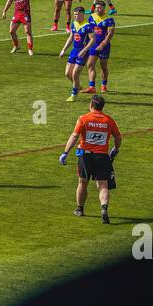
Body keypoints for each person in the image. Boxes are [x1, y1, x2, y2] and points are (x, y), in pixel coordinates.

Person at [59, 94, 122, 223]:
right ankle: (104, 208)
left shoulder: (84, 119)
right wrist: (115, 149)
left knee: (82, 183)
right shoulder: (109, 120)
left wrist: (65, 152)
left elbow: (74, 136)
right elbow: (118, 137)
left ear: (91, 105)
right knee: (103, 185)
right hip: (102, 156)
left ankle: (80, 209)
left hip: (85, 155)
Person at [58, 6, 95, 102]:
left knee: (75, 74)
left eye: (77, 15)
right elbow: (71, 37)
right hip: (74, 51)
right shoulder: (74, 24)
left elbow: (93, 40)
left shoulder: (88, 26)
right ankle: (78, 86)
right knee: (67, 74)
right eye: (74, 15)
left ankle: (74, 95)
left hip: (83, 52)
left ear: (82, 14)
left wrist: (84, 50)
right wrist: (63, 49)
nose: (75, 17)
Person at [84, 0, 116, 95]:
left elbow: (110, 34)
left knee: (103, 66)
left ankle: (104, 85)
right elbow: (89, 31)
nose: (97, 9)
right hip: (93, 45)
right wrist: (86, 42)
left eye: (99, 8)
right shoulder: (91, 17)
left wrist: (102, 45)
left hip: (104, 46)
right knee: (90, 64)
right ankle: (92, 86)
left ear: (103, 8)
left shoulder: (109, 20)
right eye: (96, 7)